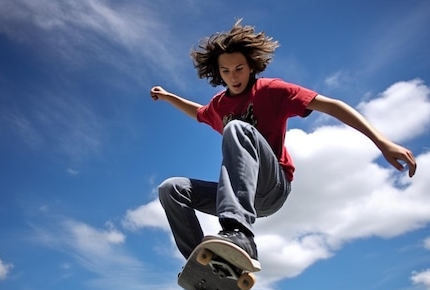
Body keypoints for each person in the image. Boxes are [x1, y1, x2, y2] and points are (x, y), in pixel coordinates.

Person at [150, 20, 416, 266]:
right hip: (239, 195)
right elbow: (198, 112)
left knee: (237, 128)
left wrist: (382, 142)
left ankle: (239, 234)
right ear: (219, 73)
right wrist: (168, 96)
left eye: (239, 68)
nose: (234, 76)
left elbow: (332, 106)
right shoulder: (219, 106)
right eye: (226, 71)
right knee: (171, 188)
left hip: (272, 186)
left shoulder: (271, 90)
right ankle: (205, 265)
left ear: (251, 66)